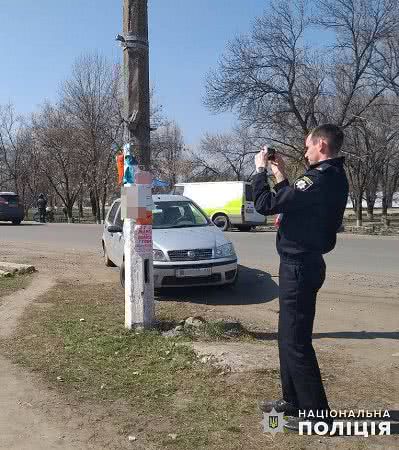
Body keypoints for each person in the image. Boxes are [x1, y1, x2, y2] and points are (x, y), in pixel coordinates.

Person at [252, 124, 349, 431]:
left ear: (321, 144)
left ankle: (317, 416)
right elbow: (292, 201)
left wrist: (259, 172)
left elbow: (267, 205)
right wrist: (280, 173)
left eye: (308, 146)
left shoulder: (320, 178)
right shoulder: (325, 178)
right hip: (298, 263)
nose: (305, 151)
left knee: (297, 342)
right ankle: (291, 402)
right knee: (287, 338)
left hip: (300, 266)